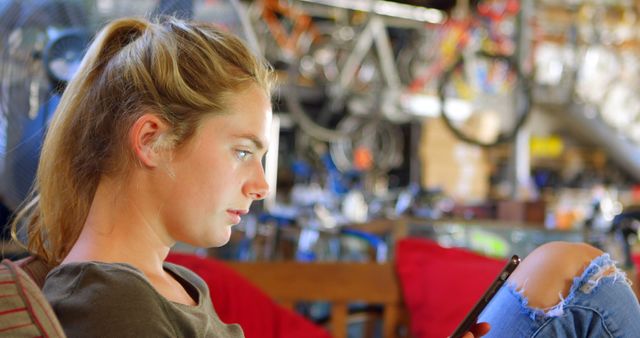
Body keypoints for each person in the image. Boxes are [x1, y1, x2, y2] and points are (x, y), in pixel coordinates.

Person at [9, 15, 640, 338]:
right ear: (152, 140)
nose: (260, 185)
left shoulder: (167, 283)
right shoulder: (111, 303)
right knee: (579, 281)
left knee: (566, 269)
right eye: (242, 151)